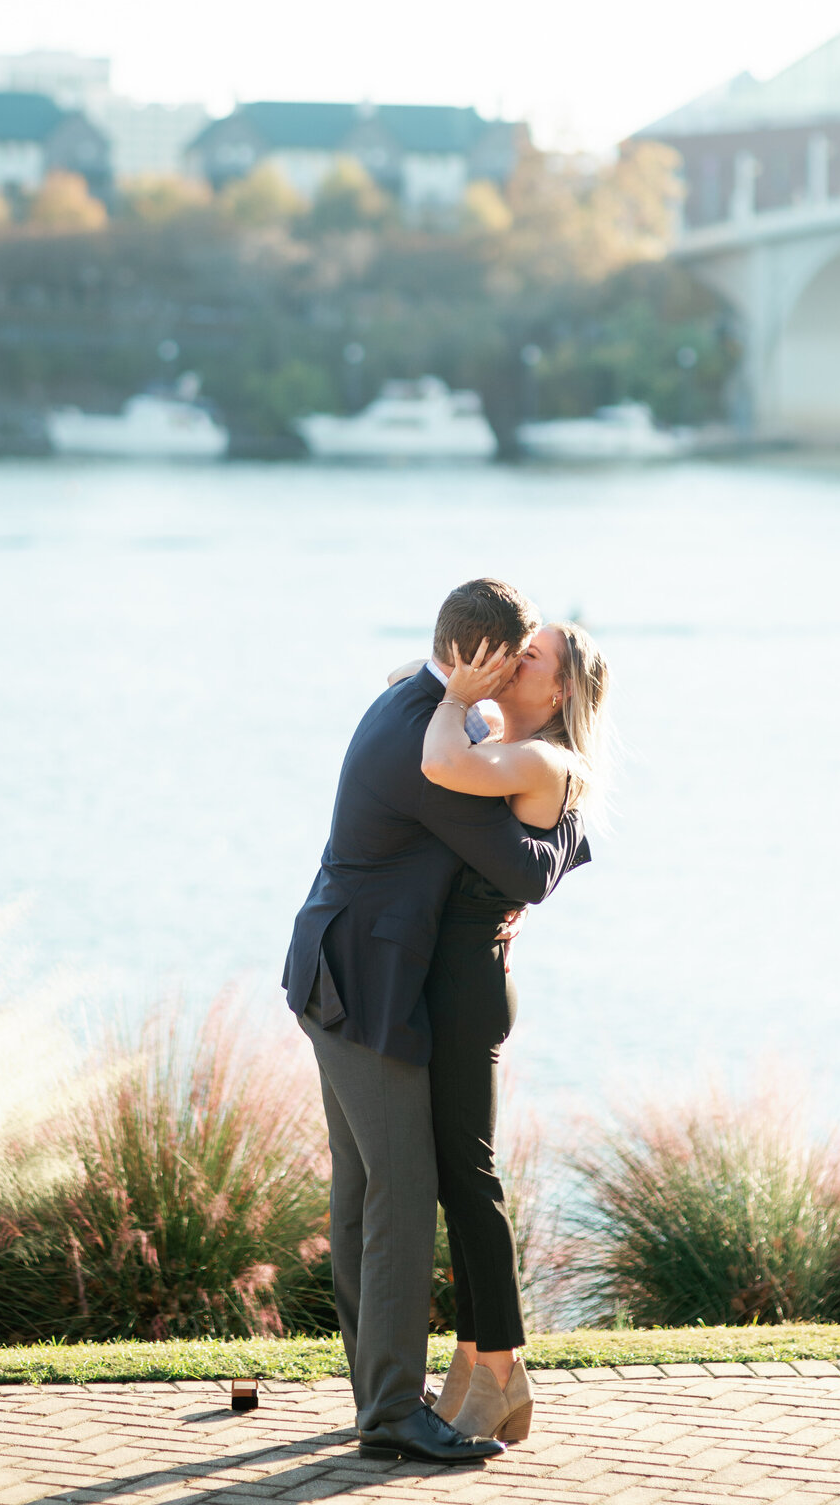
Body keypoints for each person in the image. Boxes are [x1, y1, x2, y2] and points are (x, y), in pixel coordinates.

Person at [282, 578, 588, 1464]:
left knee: (362, 1193)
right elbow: (522, 870)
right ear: (484, 659)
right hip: (364, 988)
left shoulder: (411, 703)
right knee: (403, 1194)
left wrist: (460, 699)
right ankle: (389, 1414)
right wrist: (574, 830)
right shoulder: (432, 748)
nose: (519, 670)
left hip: (338, 974)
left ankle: (378, 1392)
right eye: (514, 655)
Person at [388, 622, 609, 1444]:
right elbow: (394, 680)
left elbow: (439, 763)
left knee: (470, 1180)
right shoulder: (495, 733)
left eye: (532, 656)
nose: (515, 661)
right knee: (454, 1177)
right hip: (455, 983)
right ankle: (476, 1358)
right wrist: (464, 673)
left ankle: (503, 1367)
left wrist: (453, 693)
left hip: (469, 987)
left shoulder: (543, 760)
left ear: (558, 693)